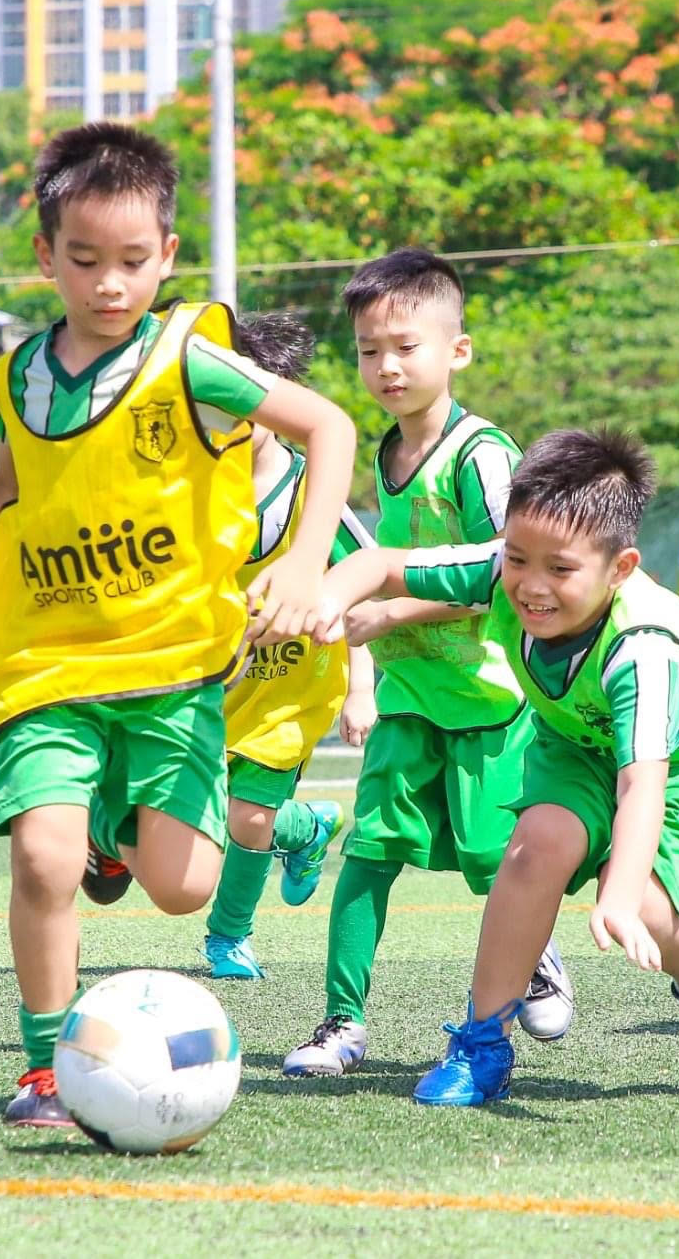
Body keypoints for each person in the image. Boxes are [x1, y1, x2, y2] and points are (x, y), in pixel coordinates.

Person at [0, 122, 357, 1128]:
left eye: (133, 262)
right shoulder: (19, 377)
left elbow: (328, 427)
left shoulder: (192, 360)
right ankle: (44, 1071)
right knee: (43, 859)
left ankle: (121, 828)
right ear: (46, 257)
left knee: (182, 890)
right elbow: (7, 485)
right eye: (83, 261)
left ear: (166, 257)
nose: (108, 283)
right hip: (45, 668)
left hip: (174, 672)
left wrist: (307, 564)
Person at [308, 429, 679, 1105]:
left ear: (622, 567)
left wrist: (616, 893)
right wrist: (322, 596)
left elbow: (643, 782)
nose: (531, 585)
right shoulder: (503, 570)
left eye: (561, 569)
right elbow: (380, 565)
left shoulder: (643, 650)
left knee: (640, 898)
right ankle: (483, 1042)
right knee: (531, 850)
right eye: (518, 558)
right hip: (576, 740)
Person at [282, 248, 573, 1078]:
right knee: (369, 853)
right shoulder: (378, 455)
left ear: (458, 350)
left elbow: (506, 571)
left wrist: (392, 610)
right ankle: (342, 1021)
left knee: (495, 862)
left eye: (406, 345)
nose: (387, 366)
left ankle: (538, 956)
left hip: (486, 701)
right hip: (412, 696)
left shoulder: (483, 453)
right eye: (369, 350)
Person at [200, 313, 378, 980]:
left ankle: (228, 934)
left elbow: (359, 586)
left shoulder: (311, 490)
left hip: (290, 690)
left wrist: (361, 688)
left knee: (246, 819)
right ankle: (303, 827)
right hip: (210, 682)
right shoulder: (191, 487)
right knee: (181, 814)